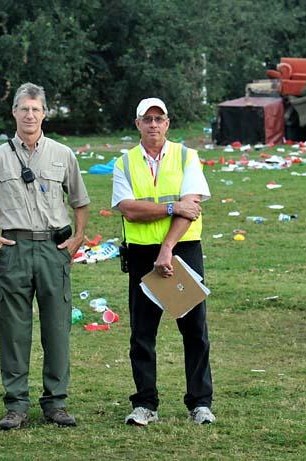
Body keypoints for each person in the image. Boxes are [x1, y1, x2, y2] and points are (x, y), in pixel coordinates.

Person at [0, 82, 89, 430]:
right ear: (14, 113)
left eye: (36, 109)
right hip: (15, 249)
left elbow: (80, 202)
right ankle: (16, 404)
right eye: (24, 108)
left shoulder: (62, 154)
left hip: (54, 249)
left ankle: (56, 403)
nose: (30, 115)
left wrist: (78, 238)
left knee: (57, 327)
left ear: (44, 114)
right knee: (13, 329)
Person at [111, 97, 215, 426]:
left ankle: (200, 403)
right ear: (137, 123)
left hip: (181, 250)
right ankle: (145, 404)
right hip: (142, 253)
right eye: (147, 119)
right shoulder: (124, 164)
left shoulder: (187, 157)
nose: (154, 124)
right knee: (142, 333)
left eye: (159, 119)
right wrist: (171, 208)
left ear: (167, 123)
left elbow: (192, 206)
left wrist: (167, 247)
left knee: (194, 329)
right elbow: (128, 208)